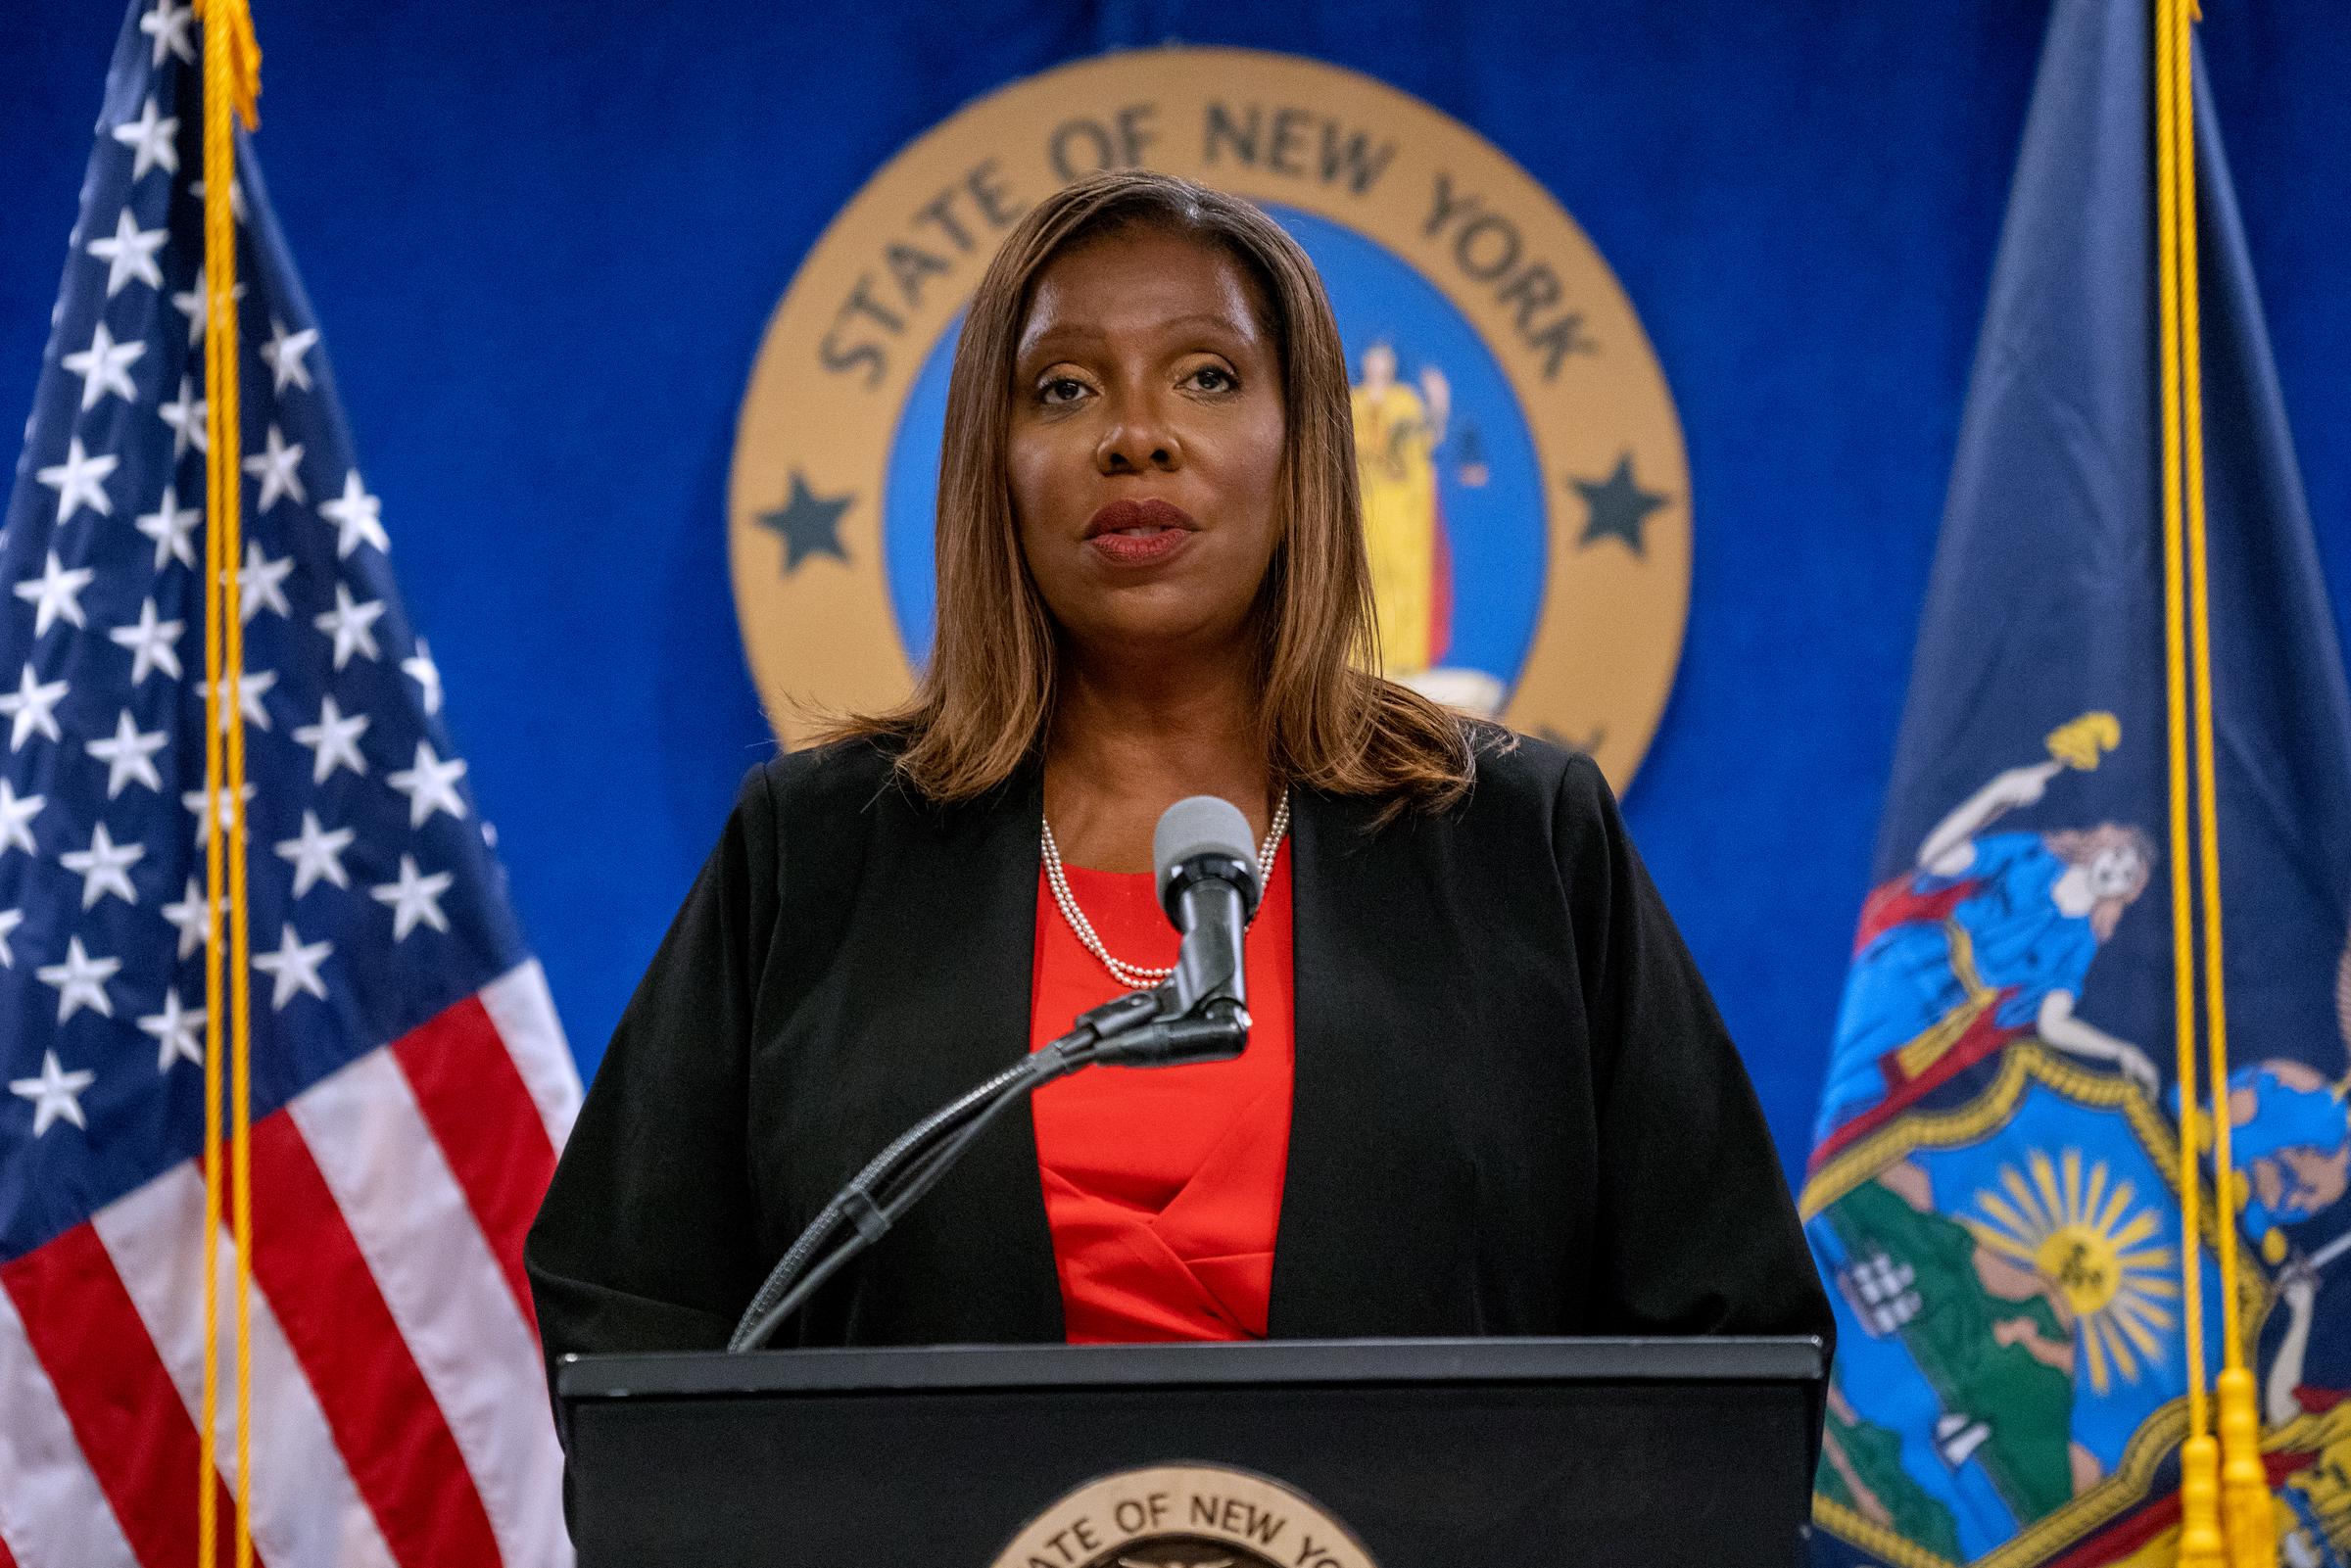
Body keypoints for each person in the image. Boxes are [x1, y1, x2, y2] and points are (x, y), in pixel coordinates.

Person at [525, 168, 1828, 1357]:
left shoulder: (1521, 840)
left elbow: (1726, 1336)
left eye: (1207, 377)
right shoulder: (814, 852)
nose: (1135, 436)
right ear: (995, 464)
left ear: (1303, 444)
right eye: (1064, 388)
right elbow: (631, 1315)